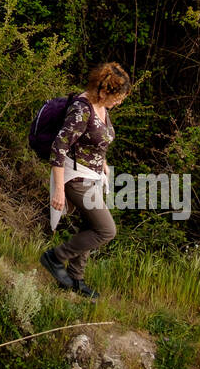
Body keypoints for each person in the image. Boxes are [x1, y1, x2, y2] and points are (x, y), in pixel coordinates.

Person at [39, 61, 131, 302]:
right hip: (74, 177)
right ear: (103, 91)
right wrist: (59, 190)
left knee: (91, 226)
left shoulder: (102, 107)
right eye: (118, 96)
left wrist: (103, 163)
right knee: (106, 230)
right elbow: (58, 149)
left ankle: (75, 279)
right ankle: (56, 257)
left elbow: (95, 140)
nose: (120, 101)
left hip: (92, 175)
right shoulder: (82, 109)